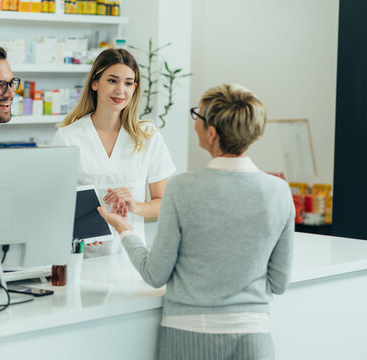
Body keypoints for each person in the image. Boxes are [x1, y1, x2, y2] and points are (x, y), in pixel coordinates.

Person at [98, 84, 295, 359]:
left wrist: (124, 229)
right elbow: (279, 282)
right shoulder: (279, 191)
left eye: (197, 117)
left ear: (211, 133)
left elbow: (155, 274)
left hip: (189, 336)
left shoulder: (183, 188)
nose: (195, 124)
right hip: (254, 339)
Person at [51, 48, 176, 257]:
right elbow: (52, 202)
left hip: (131, 256)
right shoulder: (68, 137)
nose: (121, 90)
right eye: (112, 80)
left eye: (128, 83)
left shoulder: (147, 136)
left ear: (135, 88)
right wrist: (78, 228)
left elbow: (163, 203)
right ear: (95, 83)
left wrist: (135, 206)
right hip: (81, 256)